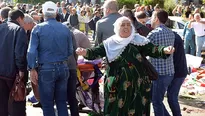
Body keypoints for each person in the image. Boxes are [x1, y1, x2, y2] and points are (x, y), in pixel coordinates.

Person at [76, 16, 175, 116]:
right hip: (116, 86)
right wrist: (84, 52)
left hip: (138, 86)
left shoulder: (138, 41)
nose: (126, 27)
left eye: (128, 25)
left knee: (138, 110)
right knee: (115, 110)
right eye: (123, 25)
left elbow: (153, 50)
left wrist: (164, 50)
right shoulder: (110, 43)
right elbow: (95, 52)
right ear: (117, 28)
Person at [27, 1, 73, 116]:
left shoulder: (38, 28)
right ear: (56, 12)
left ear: (43, 12)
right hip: (63, 67)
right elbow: (70, 51)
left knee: (47, 104)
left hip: (46, 68)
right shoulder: (65, 28)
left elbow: (31, 51)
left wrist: (32, 68)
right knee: (61, 102)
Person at [148, 10, 176, 116]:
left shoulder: (154, 34)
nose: (150, 19)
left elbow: (144, 48)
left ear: (156, 19)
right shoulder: (171, 32)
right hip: (169, 72)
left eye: (152, 16)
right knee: (156, 99)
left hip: (159, 74)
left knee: (156, 102)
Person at [0, 9, 28, 116]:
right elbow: (19, 53)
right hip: (13, 73)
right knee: (17, 103)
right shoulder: (19, 30)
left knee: (2, 105)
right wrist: (21, 70)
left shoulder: (1, 27)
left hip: (2, 72)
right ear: (19, 18)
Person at [164, 32, 188, 116]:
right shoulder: (174, 35)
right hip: (179, 70)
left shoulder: (170, 37)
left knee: (171, 97)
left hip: (177, 71)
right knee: (170, 97)